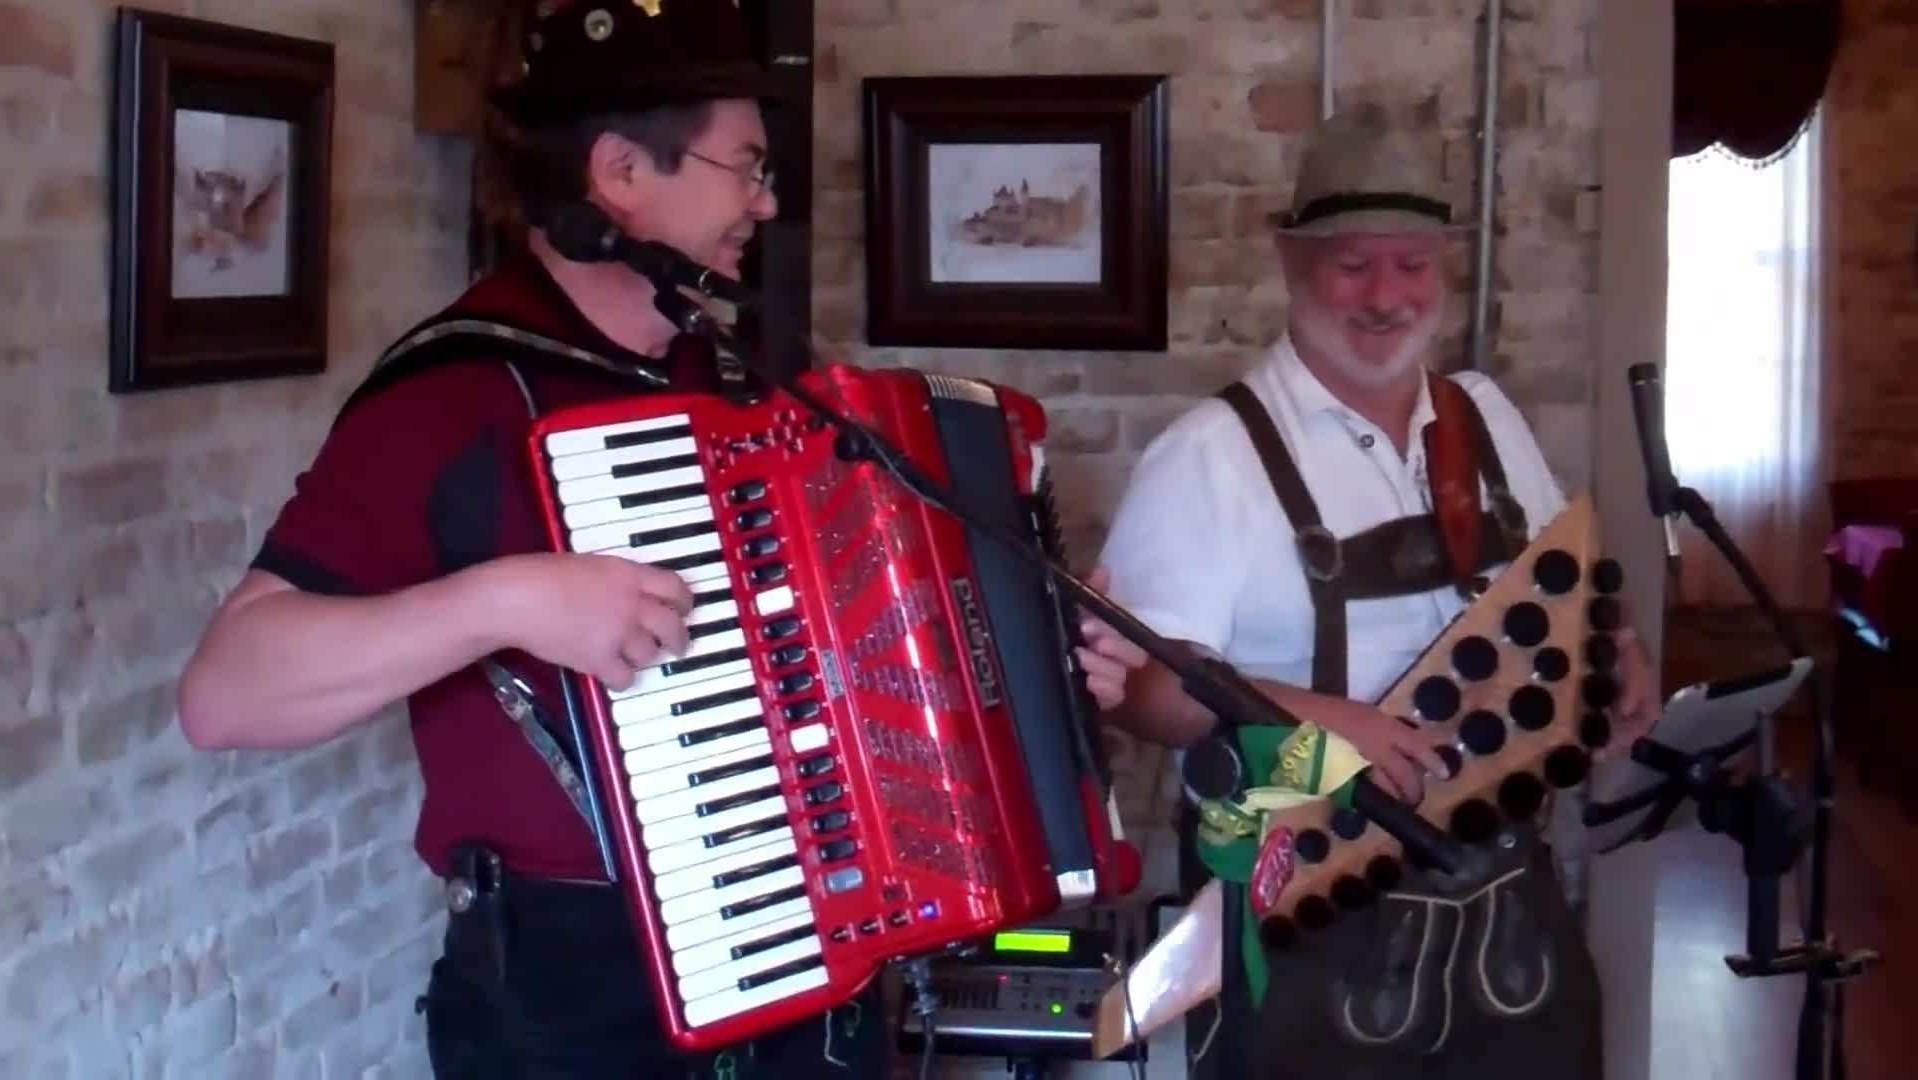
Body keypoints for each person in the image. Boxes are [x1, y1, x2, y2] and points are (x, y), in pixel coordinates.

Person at [173, 3, 1146, 1077]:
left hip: (817, 965)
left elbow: (844, 660)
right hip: (576, 993)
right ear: (621, 172)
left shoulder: (733, 384)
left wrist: (1039, 667)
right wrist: (502, 601)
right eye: (747, 167)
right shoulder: (451, 398)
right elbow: (226, 694)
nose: (765, 202)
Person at [1096, 107, 1660, 1078]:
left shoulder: (1485, 419)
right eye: (1353, 264)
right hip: (1303, 917)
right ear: (1293, 264)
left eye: (1411, 264)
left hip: (1505, 903)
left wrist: (1615, 647)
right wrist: (1320, 723)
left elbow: (1552, 592)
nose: (1386, 296)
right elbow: (1142, 691)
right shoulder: (1210, 457)